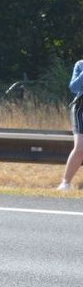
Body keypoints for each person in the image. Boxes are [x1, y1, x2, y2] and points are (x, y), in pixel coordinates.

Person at [58, 58, 83, 190]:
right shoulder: (80, 65)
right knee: (80, 148)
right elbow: (74, 87)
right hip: (81, 109)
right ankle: (65, 183)